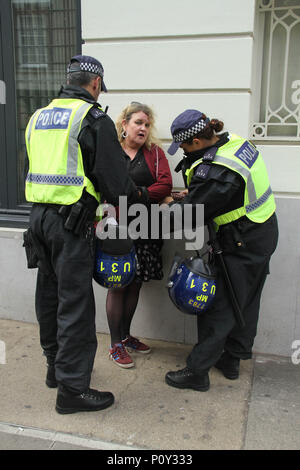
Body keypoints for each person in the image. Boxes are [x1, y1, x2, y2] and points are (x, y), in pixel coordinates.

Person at [23, 55, 147, 414]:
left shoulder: (38, 116)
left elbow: (33, 168)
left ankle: (54, 368)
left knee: (48, 294)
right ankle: (72, 390)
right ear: (95, 85)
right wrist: (138, 196)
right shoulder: (92, 118)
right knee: (74, 304)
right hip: (71, 225)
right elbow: (113, 181)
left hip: (38, 219)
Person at [164, 109, 278, 392]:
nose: (183, 153)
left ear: (198, 142)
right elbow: (223, 194)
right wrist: (196, 195)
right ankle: (231, 359)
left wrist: (161, 213)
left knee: (218, 304)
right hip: (260, 229)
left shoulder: (218, 170)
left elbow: (191, 214)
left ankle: (197, 371)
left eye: (185, 147)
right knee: (245, 300)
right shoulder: (234, 143)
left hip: (241, 240)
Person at [105, 102, 173, 368]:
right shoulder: (110, 153)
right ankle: (114, 344)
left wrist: (138, 194)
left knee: (135, 282)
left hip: (146, 228)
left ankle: (125, 336)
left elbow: (165, 184)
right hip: (116, 227)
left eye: (147, 124)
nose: (143, 128)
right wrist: (141, 193)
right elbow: (107, 186)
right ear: (125, 124)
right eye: (138, 123)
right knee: (117, 282)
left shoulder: (154, 154)